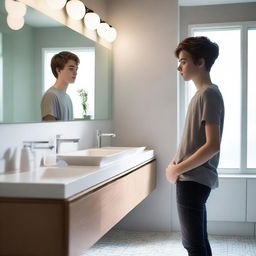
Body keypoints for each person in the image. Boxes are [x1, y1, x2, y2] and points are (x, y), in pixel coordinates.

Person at [166, 36, 224, 256]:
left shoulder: (208, 94)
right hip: (191, 177)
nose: (178, 66)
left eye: (183, 61)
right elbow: (193, 141)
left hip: (193, 179)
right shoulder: (202, 95)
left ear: (200, 62)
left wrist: (177, 169)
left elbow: (212, 145)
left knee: (193, 244)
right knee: (198, 240)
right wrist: (175, 161)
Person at [41, 51, 80, 121]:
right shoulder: (50, 96)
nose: (75, 72)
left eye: (76, 69)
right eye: (71, 68)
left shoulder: (68, 98)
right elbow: (49, 129)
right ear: (58, 70)